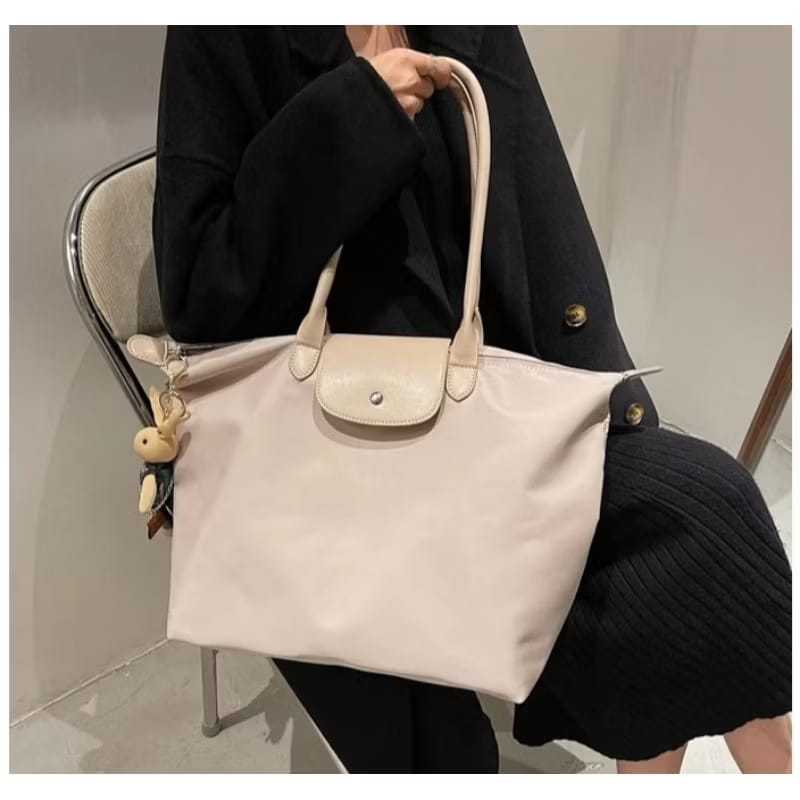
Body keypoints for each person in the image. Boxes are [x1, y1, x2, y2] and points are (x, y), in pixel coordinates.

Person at [153, 25, 792, 773]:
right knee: (440, 751)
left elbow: (540, 207)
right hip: (332, 462)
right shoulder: (224, 29)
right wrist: (348, 119)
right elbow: (198, 295)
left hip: (488, 423)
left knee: (706, 529)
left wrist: (616, 422)